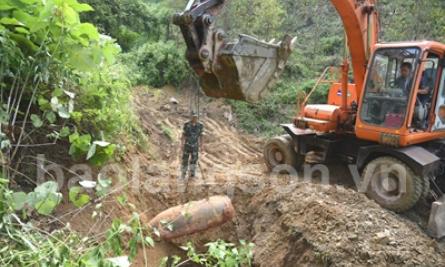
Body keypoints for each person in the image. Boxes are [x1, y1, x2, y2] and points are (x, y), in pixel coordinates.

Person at [179, 110, 205, 180]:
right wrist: (182, 144)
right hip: (187, 146)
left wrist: (202, 145)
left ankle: (192, 174)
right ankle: (183, 174)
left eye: (196, 117)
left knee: (194, 160)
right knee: (185, 159)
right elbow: (183, 134)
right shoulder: (186, 124)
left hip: (195, 146)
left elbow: (202, 135)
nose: (194, 118)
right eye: (193, 117)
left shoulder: (200, 125)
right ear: (191, 117)